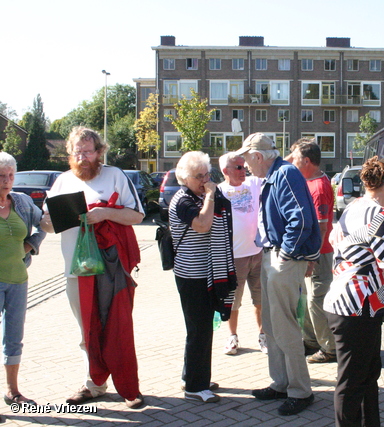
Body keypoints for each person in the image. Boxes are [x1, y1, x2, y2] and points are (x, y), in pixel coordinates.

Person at [41, 126, 145, 409]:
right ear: (70, 153)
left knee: (117, 326)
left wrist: (104, 213)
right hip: (77, 270)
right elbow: (46, 223)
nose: (83, 156)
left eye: (88, 151)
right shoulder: (62, 181)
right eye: (77, 151)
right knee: (87, 331)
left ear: (99, 151)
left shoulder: (114, 175)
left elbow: (137, 215)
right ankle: (94, 384)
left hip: (111, 268)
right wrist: (52, 222)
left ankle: (127, 386)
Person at [324, 156, 384, 427]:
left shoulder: (354, 206)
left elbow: (339, 239)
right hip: (358, 306)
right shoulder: (382, 217)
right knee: (353, 381)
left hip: (350, 304)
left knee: (365, 376)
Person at [236, 133, 320, 416]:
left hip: (283, 258)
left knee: (284, 328)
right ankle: (281, 383)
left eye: (247, 159)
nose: (246, 165)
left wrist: (286, 253)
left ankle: (300, 391)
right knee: (272, 326)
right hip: (275, 255)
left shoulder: (284, 174)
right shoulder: (279, 174)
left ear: (258, 156)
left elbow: (301, 219)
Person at [170, 151, 236, 403]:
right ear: (185, 178)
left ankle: (195, 376)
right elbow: (203, 224)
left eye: (207, 174)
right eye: (199, 176)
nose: (205, 180)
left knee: (203, 328)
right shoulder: (183, 200)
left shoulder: (199, 195)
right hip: (192, 275)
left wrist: (210, 194)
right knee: (198, 329)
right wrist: (210, 195)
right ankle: (195, 387)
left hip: (206, 273)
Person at [0, 152, 46, 408]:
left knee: (14, 337)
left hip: (18, 280)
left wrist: (30, 244)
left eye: (10, 175)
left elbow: (44, 224)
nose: (7, 181)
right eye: (1, 176)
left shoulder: (22, 202)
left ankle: (13, 391)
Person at [285, 138, 336, 364]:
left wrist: (312, 258)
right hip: (314, 254)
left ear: (307, 161)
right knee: (308, 299)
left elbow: (322, 226)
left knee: (317, 300)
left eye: (295, 159)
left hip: (320, 254)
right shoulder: (312, 180)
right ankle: (312, 341)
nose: (291, 163)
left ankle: (330, 348)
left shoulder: (319, 188)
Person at [217, 152, 266, 355]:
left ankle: (263, 336)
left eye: (243, 166)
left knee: (261, 299)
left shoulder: (253, 183)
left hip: (258, 252)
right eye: (238, 167)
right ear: (225, 171)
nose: (242, 170)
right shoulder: (219, 191)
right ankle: (232, 337)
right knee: (233, 300)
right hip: (234, 257)